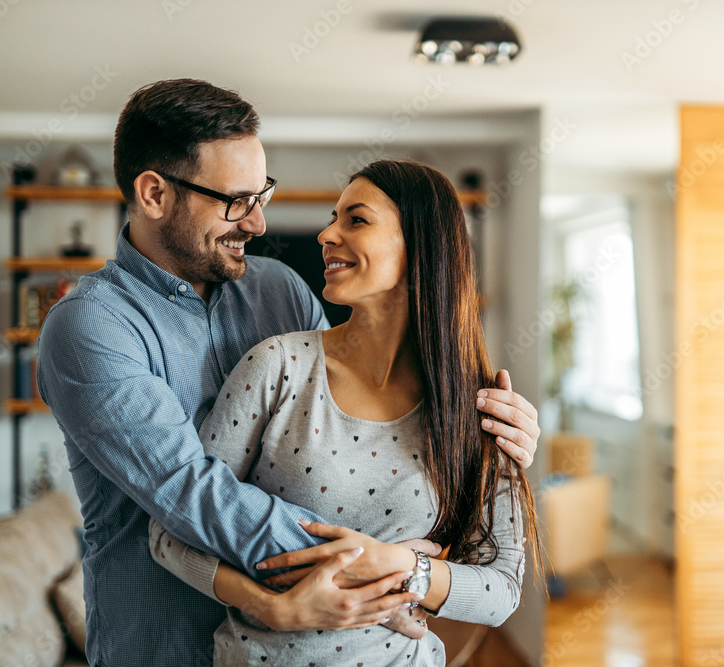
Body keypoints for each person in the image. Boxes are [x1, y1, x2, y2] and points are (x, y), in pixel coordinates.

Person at [37, 79, 541, 667]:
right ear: (153, 193)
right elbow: (193, 492)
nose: (255, 224)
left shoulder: (276, 288)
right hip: (159, 644)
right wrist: (378, 570)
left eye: (263, 196)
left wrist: (495, 442)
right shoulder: (89, 326)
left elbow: (346, 429)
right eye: (236, 201)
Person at [149, 159, 540, 666]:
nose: (326, 234)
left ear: (421, 244)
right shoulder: (278, 367)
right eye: (334, 217)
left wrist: (402, 567)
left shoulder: (479, 404)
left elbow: (502, 589)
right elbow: (169, 535)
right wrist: (272, 606)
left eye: (356, 220)